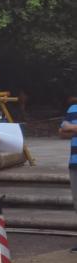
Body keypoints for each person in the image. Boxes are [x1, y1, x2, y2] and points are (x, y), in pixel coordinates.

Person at [61, 101, 77, 253]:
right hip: (74, 163)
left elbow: (67, 127)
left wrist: (72, 127)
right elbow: (62, 131)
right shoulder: (73, 108)